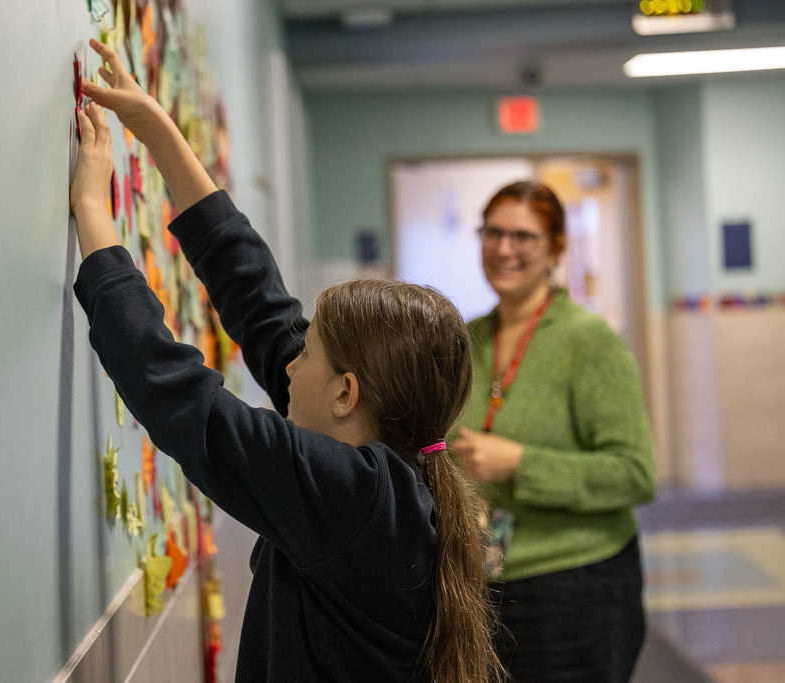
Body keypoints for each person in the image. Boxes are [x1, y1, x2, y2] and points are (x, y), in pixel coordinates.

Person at [69, 38, 503, 683]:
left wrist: (93, 213)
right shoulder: (386, 482)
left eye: (310, 355)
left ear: (347, 393)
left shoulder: (354, 499)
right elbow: (261, 304)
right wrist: (157, 129)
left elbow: (181, 394)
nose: (290, 365)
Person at [449, 180, 657, 682]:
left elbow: (635, 474)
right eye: (492, 232)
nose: (503, 249)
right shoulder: (466, 339)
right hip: (485, 586)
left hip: (577, 587)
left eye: (523, 237)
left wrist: (521, 463)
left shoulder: (589, 342)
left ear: (556, 250)